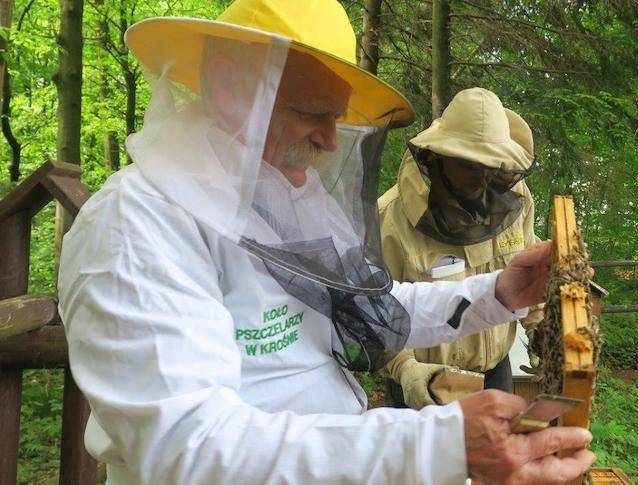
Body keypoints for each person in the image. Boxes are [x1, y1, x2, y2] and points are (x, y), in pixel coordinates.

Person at [57, 1, 595, 483]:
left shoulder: (280, 198)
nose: (330, 140)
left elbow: (371, 305)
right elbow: (186, 449)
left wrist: (500, 292)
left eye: (337, 118)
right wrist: (435, 445)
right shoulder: (134, 228)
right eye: (314, 113)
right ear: (229, 87)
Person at [379, 88, 544, 409]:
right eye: (470, 165)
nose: (483, 178)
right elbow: (376, 312)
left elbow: (528, 276)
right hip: (426, 383)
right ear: (438, 158)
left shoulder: (517, 202)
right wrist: (406, 369)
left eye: (493, 165)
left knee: (492, 460)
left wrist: (541, 332)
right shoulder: (390, 216)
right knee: (421, 461)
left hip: (496, 373)